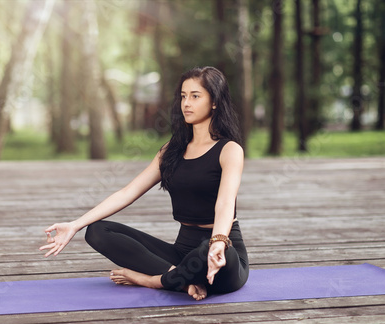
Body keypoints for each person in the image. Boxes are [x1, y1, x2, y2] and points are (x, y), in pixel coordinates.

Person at [39, 66, 249, 301]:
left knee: (204, 252)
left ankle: (151, 280)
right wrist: (75, 225)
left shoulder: (229, 150)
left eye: (195, 96)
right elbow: (129, 191)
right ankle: (179, 280)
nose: (186, 103)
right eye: (183, 96)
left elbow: (225, 202)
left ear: (214, 102)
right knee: (97, 230)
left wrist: (219, 241)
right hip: (181, 252)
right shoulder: (172, 150)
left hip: (223, 254)